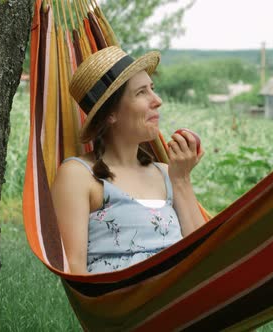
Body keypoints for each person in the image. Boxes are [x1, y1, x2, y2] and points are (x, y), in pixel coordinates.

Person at [51, 46, 205, 275]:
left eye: (152, 89)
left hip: (180, 297)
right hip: (124, 304)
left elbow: (203, 256)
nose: (158, 100)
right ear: (111, 114)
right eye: (142, 92)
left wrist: (181, 179)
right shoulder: (79, 175)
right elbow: (74, 267)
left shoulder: (166, 173)